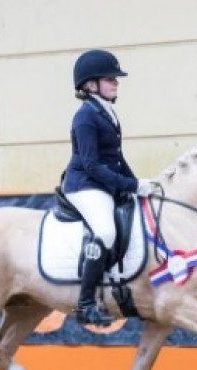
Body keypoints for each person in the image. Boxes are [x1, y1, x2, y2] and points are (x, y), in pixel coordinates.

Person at [63, 49, 155, 326]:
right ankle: (86, 303)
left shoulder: (106, 113)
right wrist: (130, 185)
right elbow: (92, 165)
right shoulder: (85, 118)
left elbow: (116, 157)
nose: (116, 83)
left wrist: (138, 184)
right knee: (104, 230)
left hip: (103, 183)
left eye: (115, 79)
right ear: (90, 85)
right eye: (110, 79)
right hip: (85, 185)